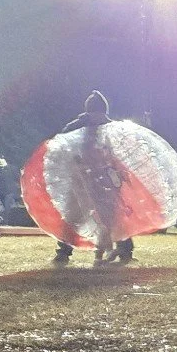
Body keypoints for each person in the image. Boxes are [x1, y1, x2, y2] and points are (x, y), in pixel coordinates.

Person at [51, 91, 132, 266]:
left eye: (102, 116)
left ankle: (125, 251)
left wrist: (117, 171)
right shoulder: (75, 128)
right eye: (97, 115)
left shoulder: (110, 127)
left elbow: (118, 151)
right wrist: (76, 162)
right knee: (73, 215)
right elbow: (61, 148)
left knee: (114, 215)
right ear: (89, 113)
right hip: (79, 179)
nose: (99, 120)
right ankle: (63, 252)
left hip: (104, 178)